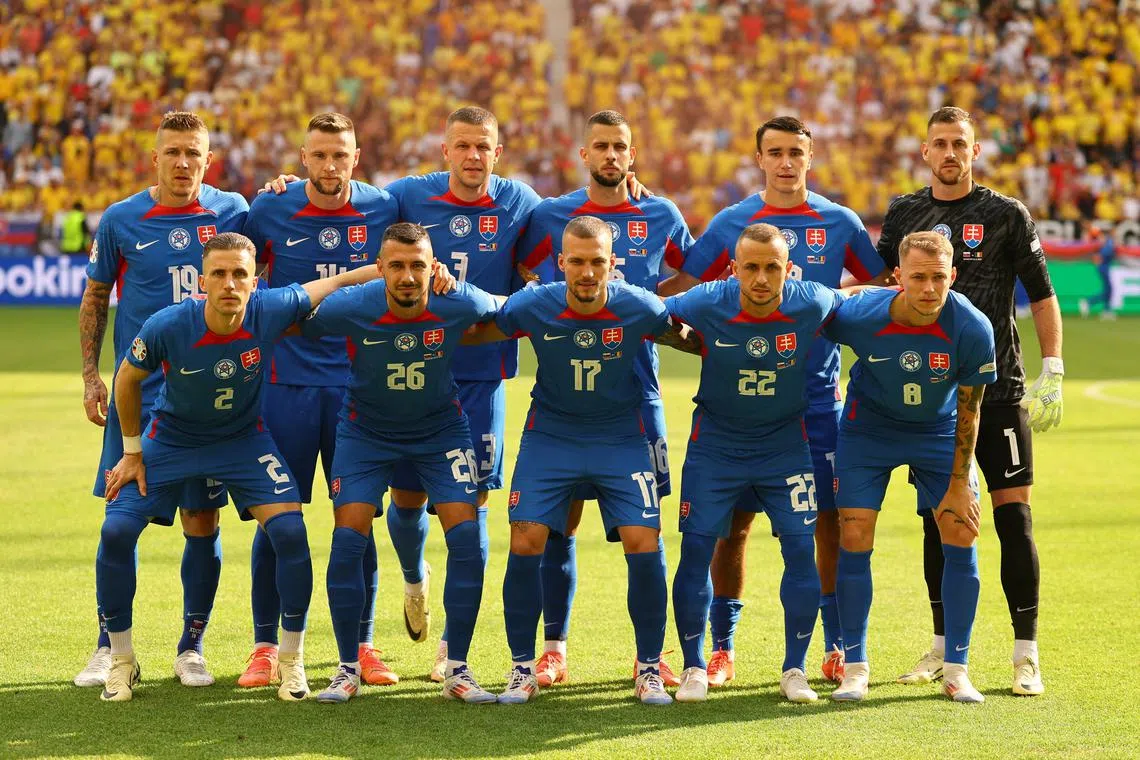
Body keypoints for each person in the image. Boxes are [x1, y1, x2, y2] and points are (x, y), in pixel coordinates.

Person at [658, 116, 888, 686]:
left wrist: (835, 299)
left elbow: (884, 287)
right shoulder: (732, 222)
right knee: (731, 527)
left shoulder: (840, 221)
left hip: (815, 403)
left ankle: (834, 646)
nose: (786, 163)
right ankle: (722, 648)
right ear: (759, 157)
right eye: (775, 153)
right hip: (736, 410)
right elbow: (683, 293)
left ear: (810, 157)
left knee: (826, 523)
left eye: (796, 153)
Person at [97, 231, 373, 702]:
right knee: (116, 533)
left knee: (290, 533)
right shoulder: (168, 324)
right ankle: (122, 661)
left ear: (255, 280)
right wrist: (131, 451)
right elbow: (126, 378)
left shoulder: (270, 309)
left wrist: (399, 270)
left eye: (240, 274)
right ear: (202, 281)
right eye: (219, 274)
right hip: (172, 440)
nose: (229, 283)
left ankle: (291, 661)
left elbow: (336, 282)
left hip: (243, 441)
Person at [876, 106, 1063, 695]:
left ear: (974, 152)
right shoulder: (905, 213)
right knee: (940, 523)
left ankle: (1025, 654)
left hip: (1000, 388)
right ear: (925, 151)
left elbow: (1041, 295)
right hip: (931, 396)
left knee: (1014, 518)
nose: (950, 152)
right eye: (940, 143)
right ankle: (940, 646)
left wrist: (1051, 367)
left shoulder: (1006, 214)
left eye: (960, 143)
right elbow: (886, 288)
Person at [513, 109, 695, 688]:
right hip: (565, 395)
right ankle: (552, 649)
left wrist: (638, 301)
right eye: (601, 146)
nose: (612, 156)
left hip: (637, 395)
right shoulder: (550, 214)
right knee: (556, 523)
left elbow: (691, 274)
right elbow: (519, 267)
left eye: (621, 146)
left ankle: (649, 657)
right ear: (584, 155)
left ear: (632, 155)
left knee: (644, 528)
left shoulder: (661, 212)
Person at [464, 216, 675, 705]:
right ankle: (521, 669)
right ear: (560, 263)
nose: (586, 272)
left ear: (612, 264)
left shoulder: (639, 306)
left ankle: (648, 668)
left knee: (644, 538)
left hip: (620, 437)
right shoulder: (535, 304)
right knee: (526, 535)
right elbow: (481, 327)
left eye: (596, 261)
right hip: (551, 435)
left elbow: (687, 332)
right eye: (576, 261)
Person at [76, 111, 248, 690]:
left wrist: (280, 187)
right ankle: (109, 644)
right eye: (172, 152)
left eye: (193, 155)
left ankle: (191, 646)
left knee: (202, 519)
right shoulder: (122, 219)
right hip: (138, 402)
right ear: (155, 157)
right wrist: (91, 376)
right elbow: (97, 296)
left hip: (207, 404)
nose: (182, 164)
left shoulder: (232, 212)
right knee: (120, 522)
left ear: (207, 160)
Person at [299, 222, 500, 704]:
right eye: (396, 266)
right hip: (365, 432)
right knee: (347, 540)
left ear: (433, 268)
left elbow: (506, 311)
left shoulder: (458, 301)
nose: (408, 277)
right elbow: (293, 318)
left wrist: (462, 290)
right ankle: (346, 668)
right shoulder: (353, 305)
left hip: (440, 432)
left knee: (467, 540)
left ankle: (457, 668)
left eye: (418, 266)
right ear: (381, 269)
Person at [239, 112, 401, 689]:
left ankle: (362, 646)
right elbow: (235, 266)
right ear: (302, 158)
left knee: (357, 520)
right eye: (320, 155)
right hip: (285, 386)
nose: (330, 166)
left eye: (341, 155)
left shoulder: (384, 208)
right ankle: (265, 648)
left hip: (360, 388)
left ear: (356, 157)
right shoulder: (269, 209)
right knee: (276, 520)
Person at [380, 107, 541, 681]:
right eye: (463, 146)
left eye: (485, 147)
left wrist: (630, 183)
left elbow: (576, 217)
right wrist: (288, 184)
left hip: (481, 378)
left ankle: (452, 644)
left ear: (498, 152)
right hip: (415, 371)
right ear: (444, 151)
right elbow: (347, 203)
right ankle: (414, 577)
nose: (474, 156)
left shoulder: (520, 201)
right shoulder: (407, 196)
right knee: (406, 501)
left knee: (469, 509)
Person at [662, 223, 846, 704]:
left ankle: (795, 669)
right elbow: (650, 313)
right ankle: (695, 667)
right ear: (733, 270)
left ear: (789, 269)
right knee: (697, 551)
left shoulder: (811, 299)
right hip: (715, 447)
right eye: (751, 268)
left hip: (786, 448)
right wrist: (685, 337)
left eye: (772, 268)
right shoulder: (706, 300)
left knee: (801, 552)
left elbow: (863, 304)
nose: (761, 279)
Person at [825, 231, 997, 703]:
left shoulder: (972, 327)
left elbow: (971, 409)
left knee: (962, 530)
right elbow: (809, 316)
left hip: (939, 433)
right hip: (868, 432)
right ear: (897, 277)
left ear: (953, 277)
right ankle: (855, 667)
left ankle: (957, 669)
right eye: (918, 277)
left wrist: (960, 483)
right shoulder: (861, 314)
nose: (928, 288)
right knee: (855, 536)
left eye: (939, 278)